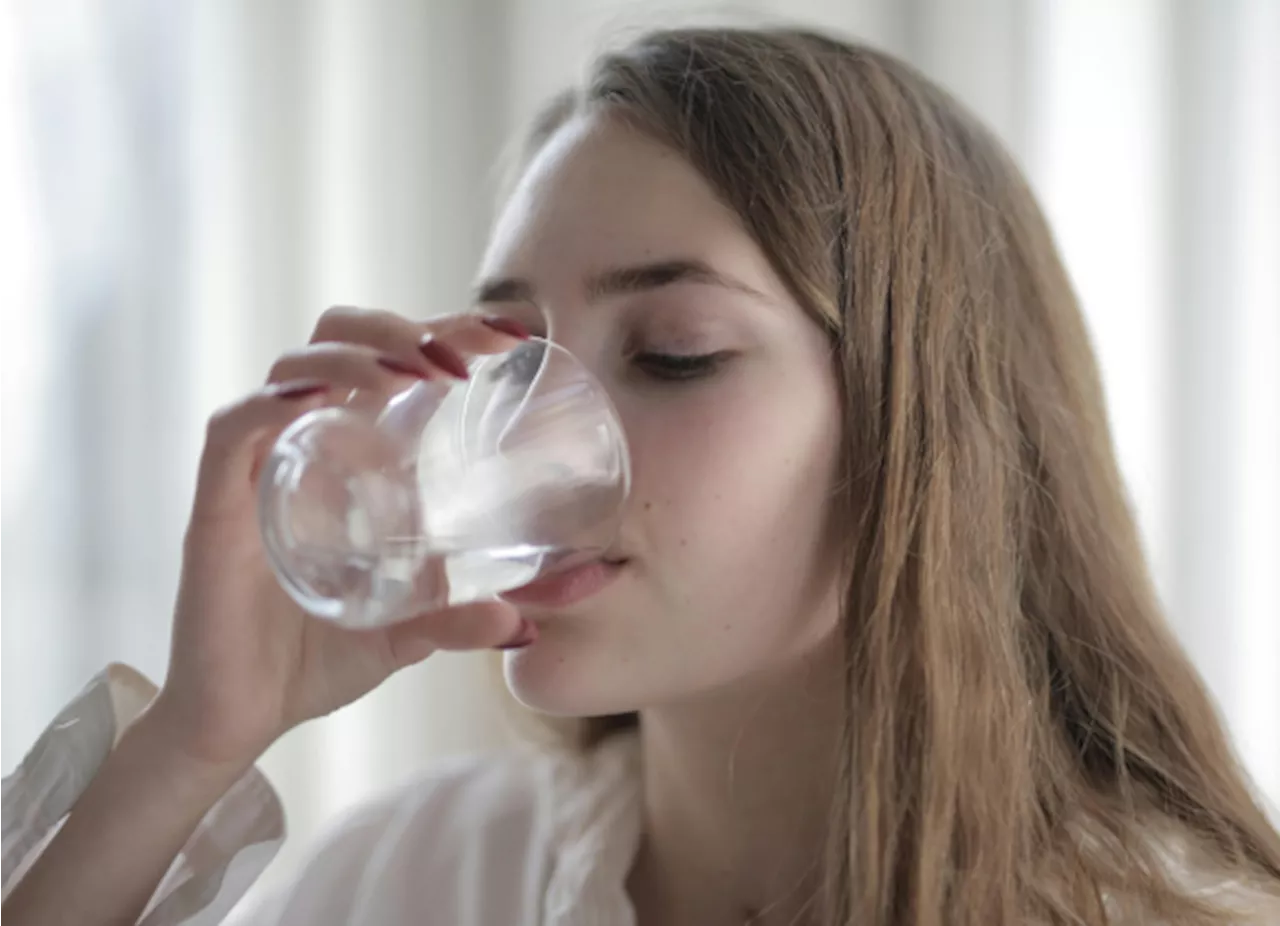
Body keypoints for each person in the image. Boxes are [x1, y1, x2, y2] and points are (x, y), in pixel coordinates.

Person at [2, 24, 1279, 926]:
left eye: (671, 354)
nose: (522, 440)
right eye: (507, 359)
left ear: (924, 431)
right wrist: (191, 745)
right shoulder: (429, 874)